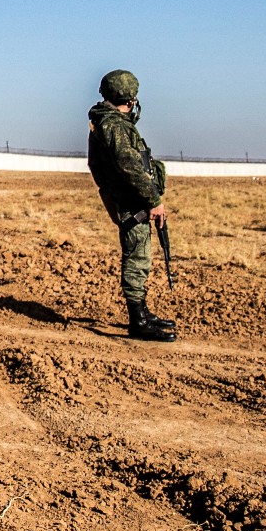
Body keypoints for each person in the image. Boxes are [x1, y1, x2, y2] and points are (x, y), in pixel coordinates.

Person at [87, 70, 177, 343]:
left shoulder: (111, 122)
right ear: (130, 96)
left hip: (128, 199)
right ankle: (137, 321)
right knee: (137, 258)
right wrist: (154, 201)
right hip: (129, 201)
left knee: (141, 255)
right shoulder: (112, 125)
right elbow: (129, 165)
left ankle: (142, 312)